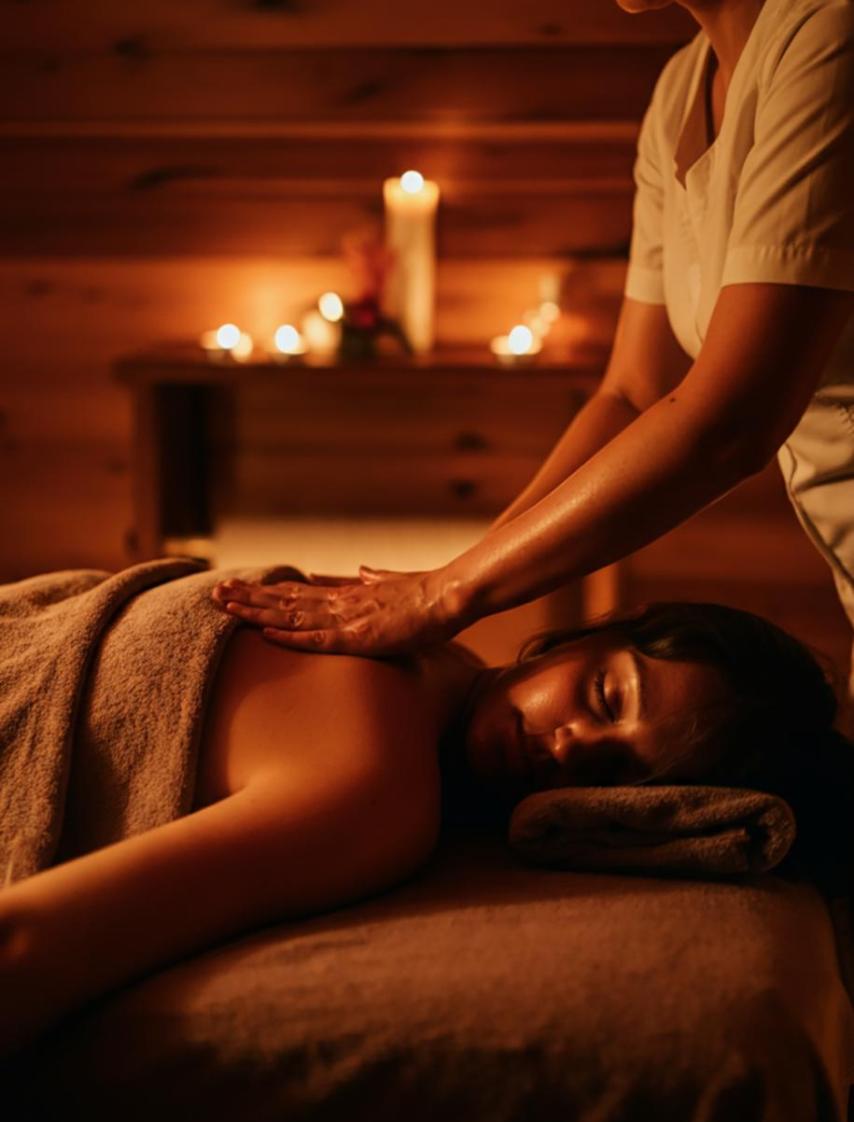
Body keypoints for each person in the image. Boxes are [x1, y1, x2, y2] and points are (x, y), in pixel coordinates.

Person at [210, 0, 854, 700]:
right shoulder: (680, 90)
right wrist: (453, 575)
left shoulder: (829, 34)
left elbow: (733, 421)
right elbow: (633, 393)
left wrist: (446, 595)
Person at [0, 576, 851, 1058]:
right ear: (582, 638)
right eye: (603, 696)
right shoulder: (379, 761)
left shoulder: (386, 768)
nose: (569, 746)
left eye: (616, 774)